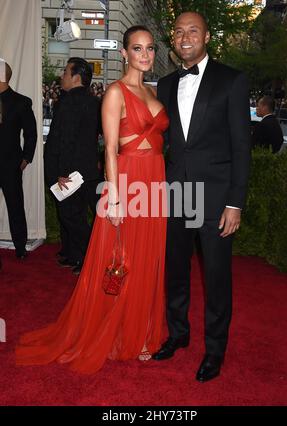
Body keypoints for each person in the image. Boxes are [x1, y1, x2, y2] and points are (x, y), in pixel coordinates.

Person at [16, 26, 169, 373]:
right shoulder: (115, 92)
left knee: (148, 256)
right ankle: (113, 330)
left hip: (155, 181)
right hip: (128, 181)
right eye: (137, 48)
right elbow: (111, 149)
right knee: (121, 254)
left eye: (149, 49)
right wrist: (114, 196)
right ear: (124, 53)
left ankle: (141, 331)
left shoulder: (151, 91)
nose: (144, 55)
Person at [152, 12, 251, 383]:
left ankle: (214, 351)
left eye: (192, 30)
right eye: (178, 31)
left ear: (207, 36)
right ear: (173, 40)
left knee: (216, 278)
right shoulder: (164, 84)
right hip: (177, 193)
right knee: (175, 271)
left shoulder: (232, 80)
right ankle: (178, 334)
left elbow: (242, 146)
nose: (184, 36)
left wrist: (235, 202)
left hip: (215, 198)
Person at [44, 58, 101, 275]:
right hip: (87, 169)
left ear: (76, 77)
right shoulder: (94, 102)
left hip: (70, 172)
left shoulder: (68, 102)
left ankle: (88, 258)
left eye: (66, 72)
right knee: (73, 214)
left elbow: (66, 139)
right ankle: (71, 253)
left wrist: (62, 172)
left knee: (71, 215)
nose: (61, 75)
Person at [0, 61, 37, 259]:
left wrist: (26, 158)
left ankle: (20, 247)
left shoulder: (21, 102)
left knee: (15, 206)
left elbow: (31, 133)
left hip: (10, 163)